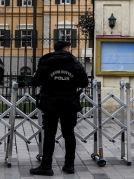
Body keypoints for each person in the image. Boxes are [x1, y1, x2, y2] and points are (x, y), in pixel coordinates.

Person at [29, 41, 89, 176]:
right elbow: (84, 82)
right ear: (67, 49)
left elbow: (35, 82)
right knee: (69, 134)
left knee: (49, 134)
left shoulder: (47, 61)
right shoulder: (74, 63)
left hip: (50, 103)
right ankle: (69, 165)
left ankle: (46, 167)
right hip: (69, 103)